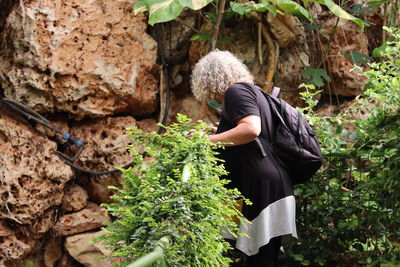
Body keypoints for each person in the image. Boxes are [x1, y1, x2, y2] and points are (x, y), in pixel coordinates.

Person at [191, 50, 297, 267]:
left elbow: (251, 130)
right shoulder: (255, 93)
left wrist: (207, 142)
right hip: (272, 181)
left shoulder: (236, 92)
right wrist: (213, 134)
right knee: (263, 258)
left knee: (261, 260)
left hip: (262, 185)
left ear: (208, 78)